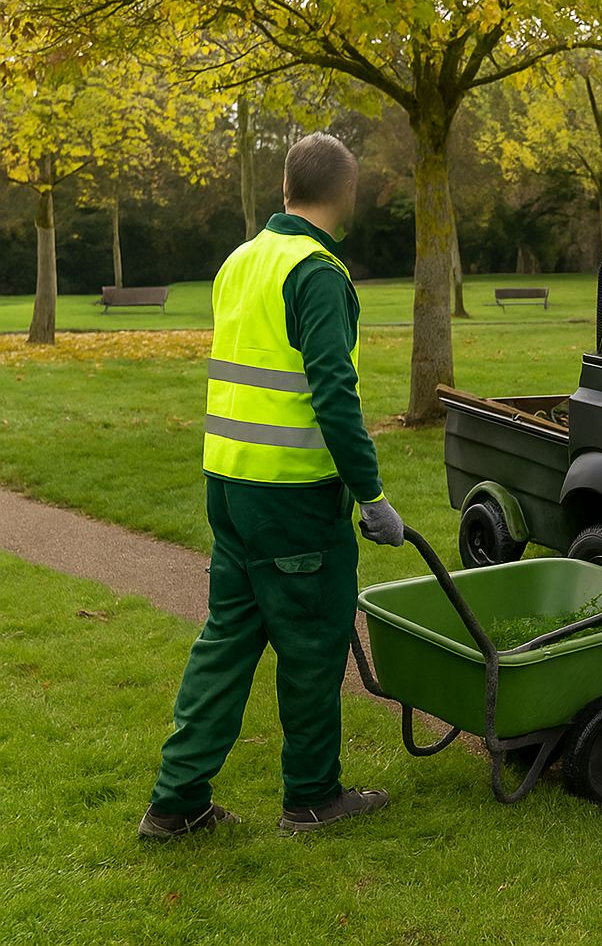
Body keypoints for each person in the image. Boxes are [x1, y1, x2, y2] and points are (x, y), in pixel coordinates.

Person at [139, 133, 405, 838]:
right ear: (344, 194)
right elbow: (334, 394)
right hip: (293, 497)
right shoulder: (317, 271)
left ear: (288, 187)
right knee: (315, 643)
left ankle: (176, 802)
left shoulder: (241, 261)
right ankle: (314, 797)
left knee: (227, 639)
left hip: (229, 486)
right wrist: (371, 495)